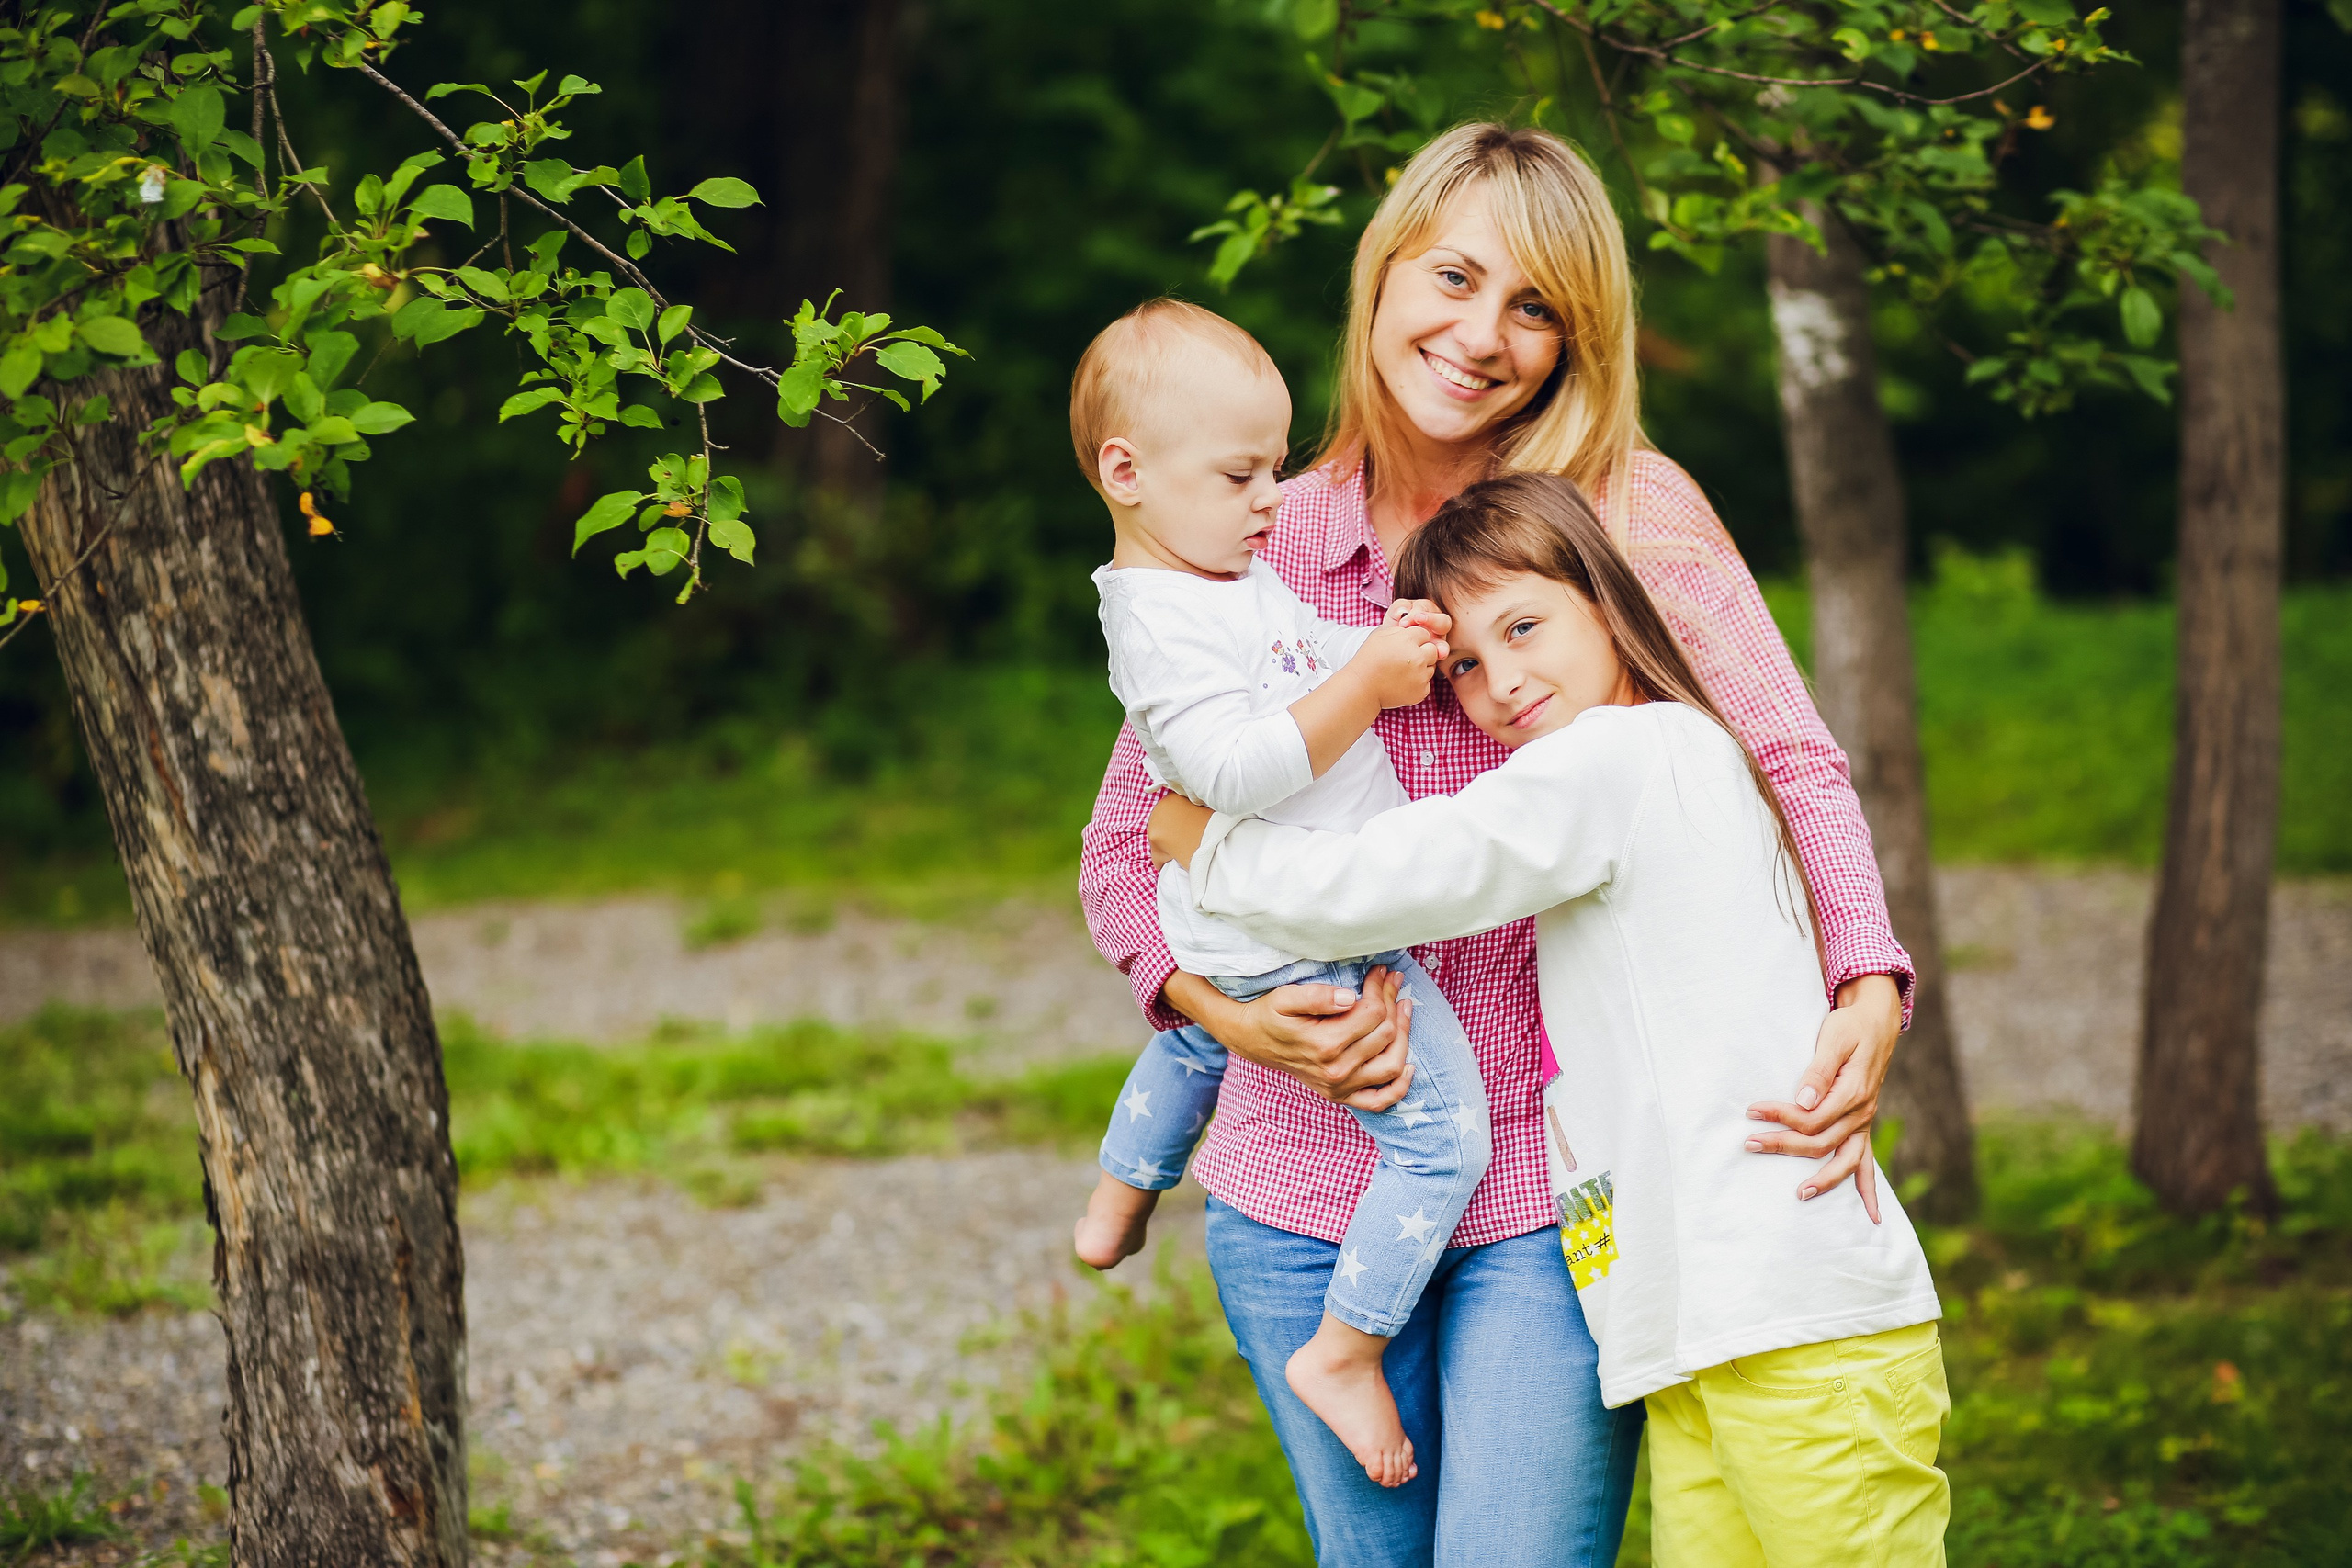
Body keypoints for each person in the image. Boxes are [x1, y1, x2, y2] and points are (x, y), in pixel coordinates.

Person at [1080, 120, 1916, 1566]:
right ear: (1383, 271)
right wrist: (1228, 1017)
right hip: (1301, 1182)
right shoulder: (1255, 528)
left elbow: (1790, 752)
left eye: (1536, 306)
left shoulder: (1626, 513)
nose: (1483, 334)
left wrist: (1869, 977)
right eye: (1455, 277)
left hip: (1548, 1171)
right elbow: (1124, 842)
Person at [1156, 473, 1951, 1566]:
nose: (1502, 679)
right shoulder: (1644, 767)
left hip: (1790, 1320)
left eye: (1525, 626)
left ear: (1608, 601)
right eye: (1469, 663)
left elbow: (1403, 873)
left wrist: (1211, 846)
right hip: (1695, 1335)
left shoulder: (1622, 758)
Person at [1067, 298, 1487, 1489]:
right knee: (1442, 1137)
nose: (1271, 498)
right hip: (1304, 938)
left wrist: (1374, 638)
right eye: (1243, 472)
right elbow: (1231, 771)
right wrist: (1367, 679)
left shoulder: (1224, 576)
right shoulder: (1157, 621)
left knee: (1198, 1049)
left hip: (1243, 930)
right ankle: (1346, 1347)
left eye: (1279, 466)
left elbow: (1303, 643)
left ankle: (1121, 1192)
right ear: (1127, 471)